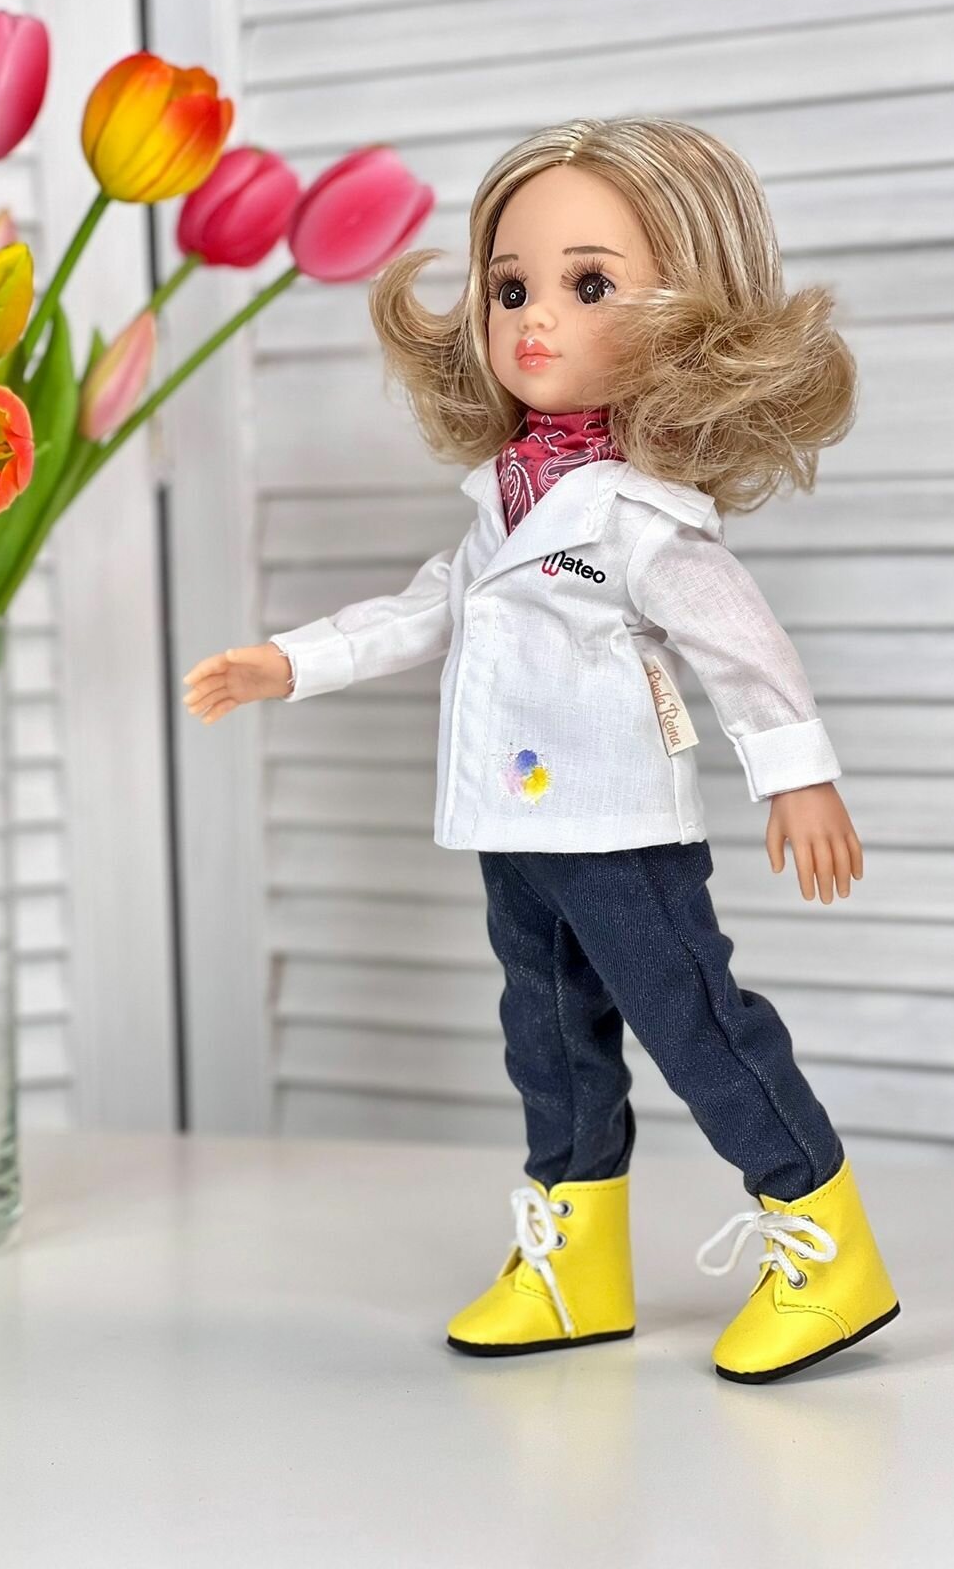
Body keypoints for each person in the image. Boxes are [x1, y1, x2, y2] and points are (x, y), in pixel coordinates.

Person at [182, 117, 900, 1383]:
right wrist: (288, 661)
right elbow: (426, 608)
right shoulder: (506, 498)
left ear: (692, 318)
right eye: (511, 288)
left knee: (694, 1023)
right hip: (514, 825)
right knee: (549, 1036)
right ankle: (577, 1264)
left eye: (590, 286)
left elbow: (744, 646)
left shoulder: (643, 520)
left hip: (617, 823)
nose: (535, 319)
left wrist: (798, 776)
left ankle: (826, 1243)